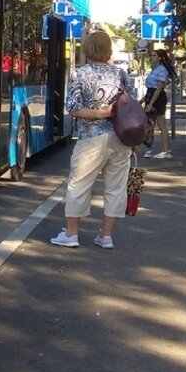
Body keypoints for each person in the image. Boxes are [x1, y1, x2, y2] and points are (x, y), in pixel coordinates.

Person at [50, 30, 132, 249]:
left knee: (79, 184)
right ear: (108, 50)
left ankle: (71, 234)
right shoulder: (121, 74)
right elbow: (129, 108)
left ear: (87, 49)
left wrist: (103, 113)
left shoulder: (80, 74)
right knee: (116, 187)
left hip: (91, 138)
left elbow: (74, 109)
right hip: (121, 138)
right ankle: (106, 236)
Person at [142, 49, 176, 159]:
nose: (151, 57)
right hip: (150, 96)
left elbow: (158, 88)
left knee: (161, 125)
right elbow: (150, 89)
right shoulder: (154, 70)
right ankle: (149, 149)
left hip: (158, 98)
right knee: (149, 125)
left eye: (154, 55)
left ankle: (167, 151)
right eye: (151, 55)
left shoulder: (162, 70)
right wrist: (142, 101)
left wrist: (151, 104)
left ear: (160, 57)